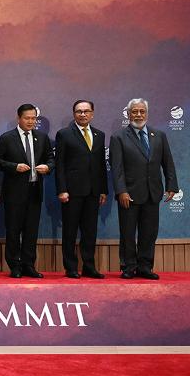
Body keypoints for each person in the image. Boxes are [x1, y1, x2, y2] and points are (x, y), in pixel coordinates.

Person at [110, 98, 178, 280]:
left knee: (149, 233)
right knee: (128, 233)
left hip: (152, 193)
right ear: (128, 113)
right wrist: (121, 191)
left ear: (146, 113)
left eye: (142, 111)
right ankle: (128, 267)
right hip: (129, 194)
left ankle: (145, 267)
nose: (138, 115)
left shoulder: (159, 135)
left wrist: (172, 185)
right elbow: (117, 168)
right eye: (135, 111)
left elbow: (168, 163)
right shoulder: (118, 137)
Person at [0, 103, 54, 278]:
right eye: (27, 118)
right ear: (19, 118)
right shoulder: (7, 138)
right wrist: (14, 167)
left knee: (31, 231)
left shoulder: (42, 137)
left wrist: (48, 167)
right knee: (13, 230)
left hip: (35, 191)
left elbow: (51, 158)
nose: (31, 121)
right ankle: (14, 266)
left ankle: (29, 265)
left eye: (33, 118)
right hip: (14, 193)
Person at [54, 100, 107, 279]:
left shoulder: (100, 135)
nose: (82, 114)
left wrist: (103, 190)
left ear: (92, 114)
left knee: (90, 231)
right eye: (79, 111)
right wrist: (62, 189)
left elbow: (101, 165)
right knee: (69, 231)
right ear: (74, 113)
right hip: (71, 192)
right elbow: (59, 164)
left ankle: (89, 267)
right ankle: (71, 267)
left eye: (86, 111)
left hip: (93, 192)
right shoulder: (64, 134)